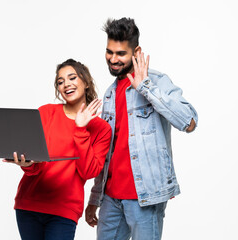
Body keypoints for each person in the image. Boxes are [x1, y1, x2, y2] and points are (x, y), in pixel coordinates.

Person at [84, 18, 198, 240]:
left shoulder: (157, 81)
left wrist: (146, 87)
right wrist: (95, 198)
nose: (113, 59)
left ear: (136, 51)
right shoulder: (109, 94)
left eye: (121, 54)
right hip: (110, 199)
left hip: (144, 197)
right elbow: (106, 152)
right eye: (109, 52)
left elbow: (189, 122)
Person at [4, 59, 112, 240]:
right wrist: (27, 164)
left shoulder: (101, 128)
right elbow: (36, 165)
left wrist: (80, 129)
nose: (66, 84)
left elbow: (88, 171)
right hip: (28, 205)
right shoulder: (45, 113)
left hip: (64, 210)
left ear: (85, 82)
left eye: (72, 78)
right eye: (60, 82)